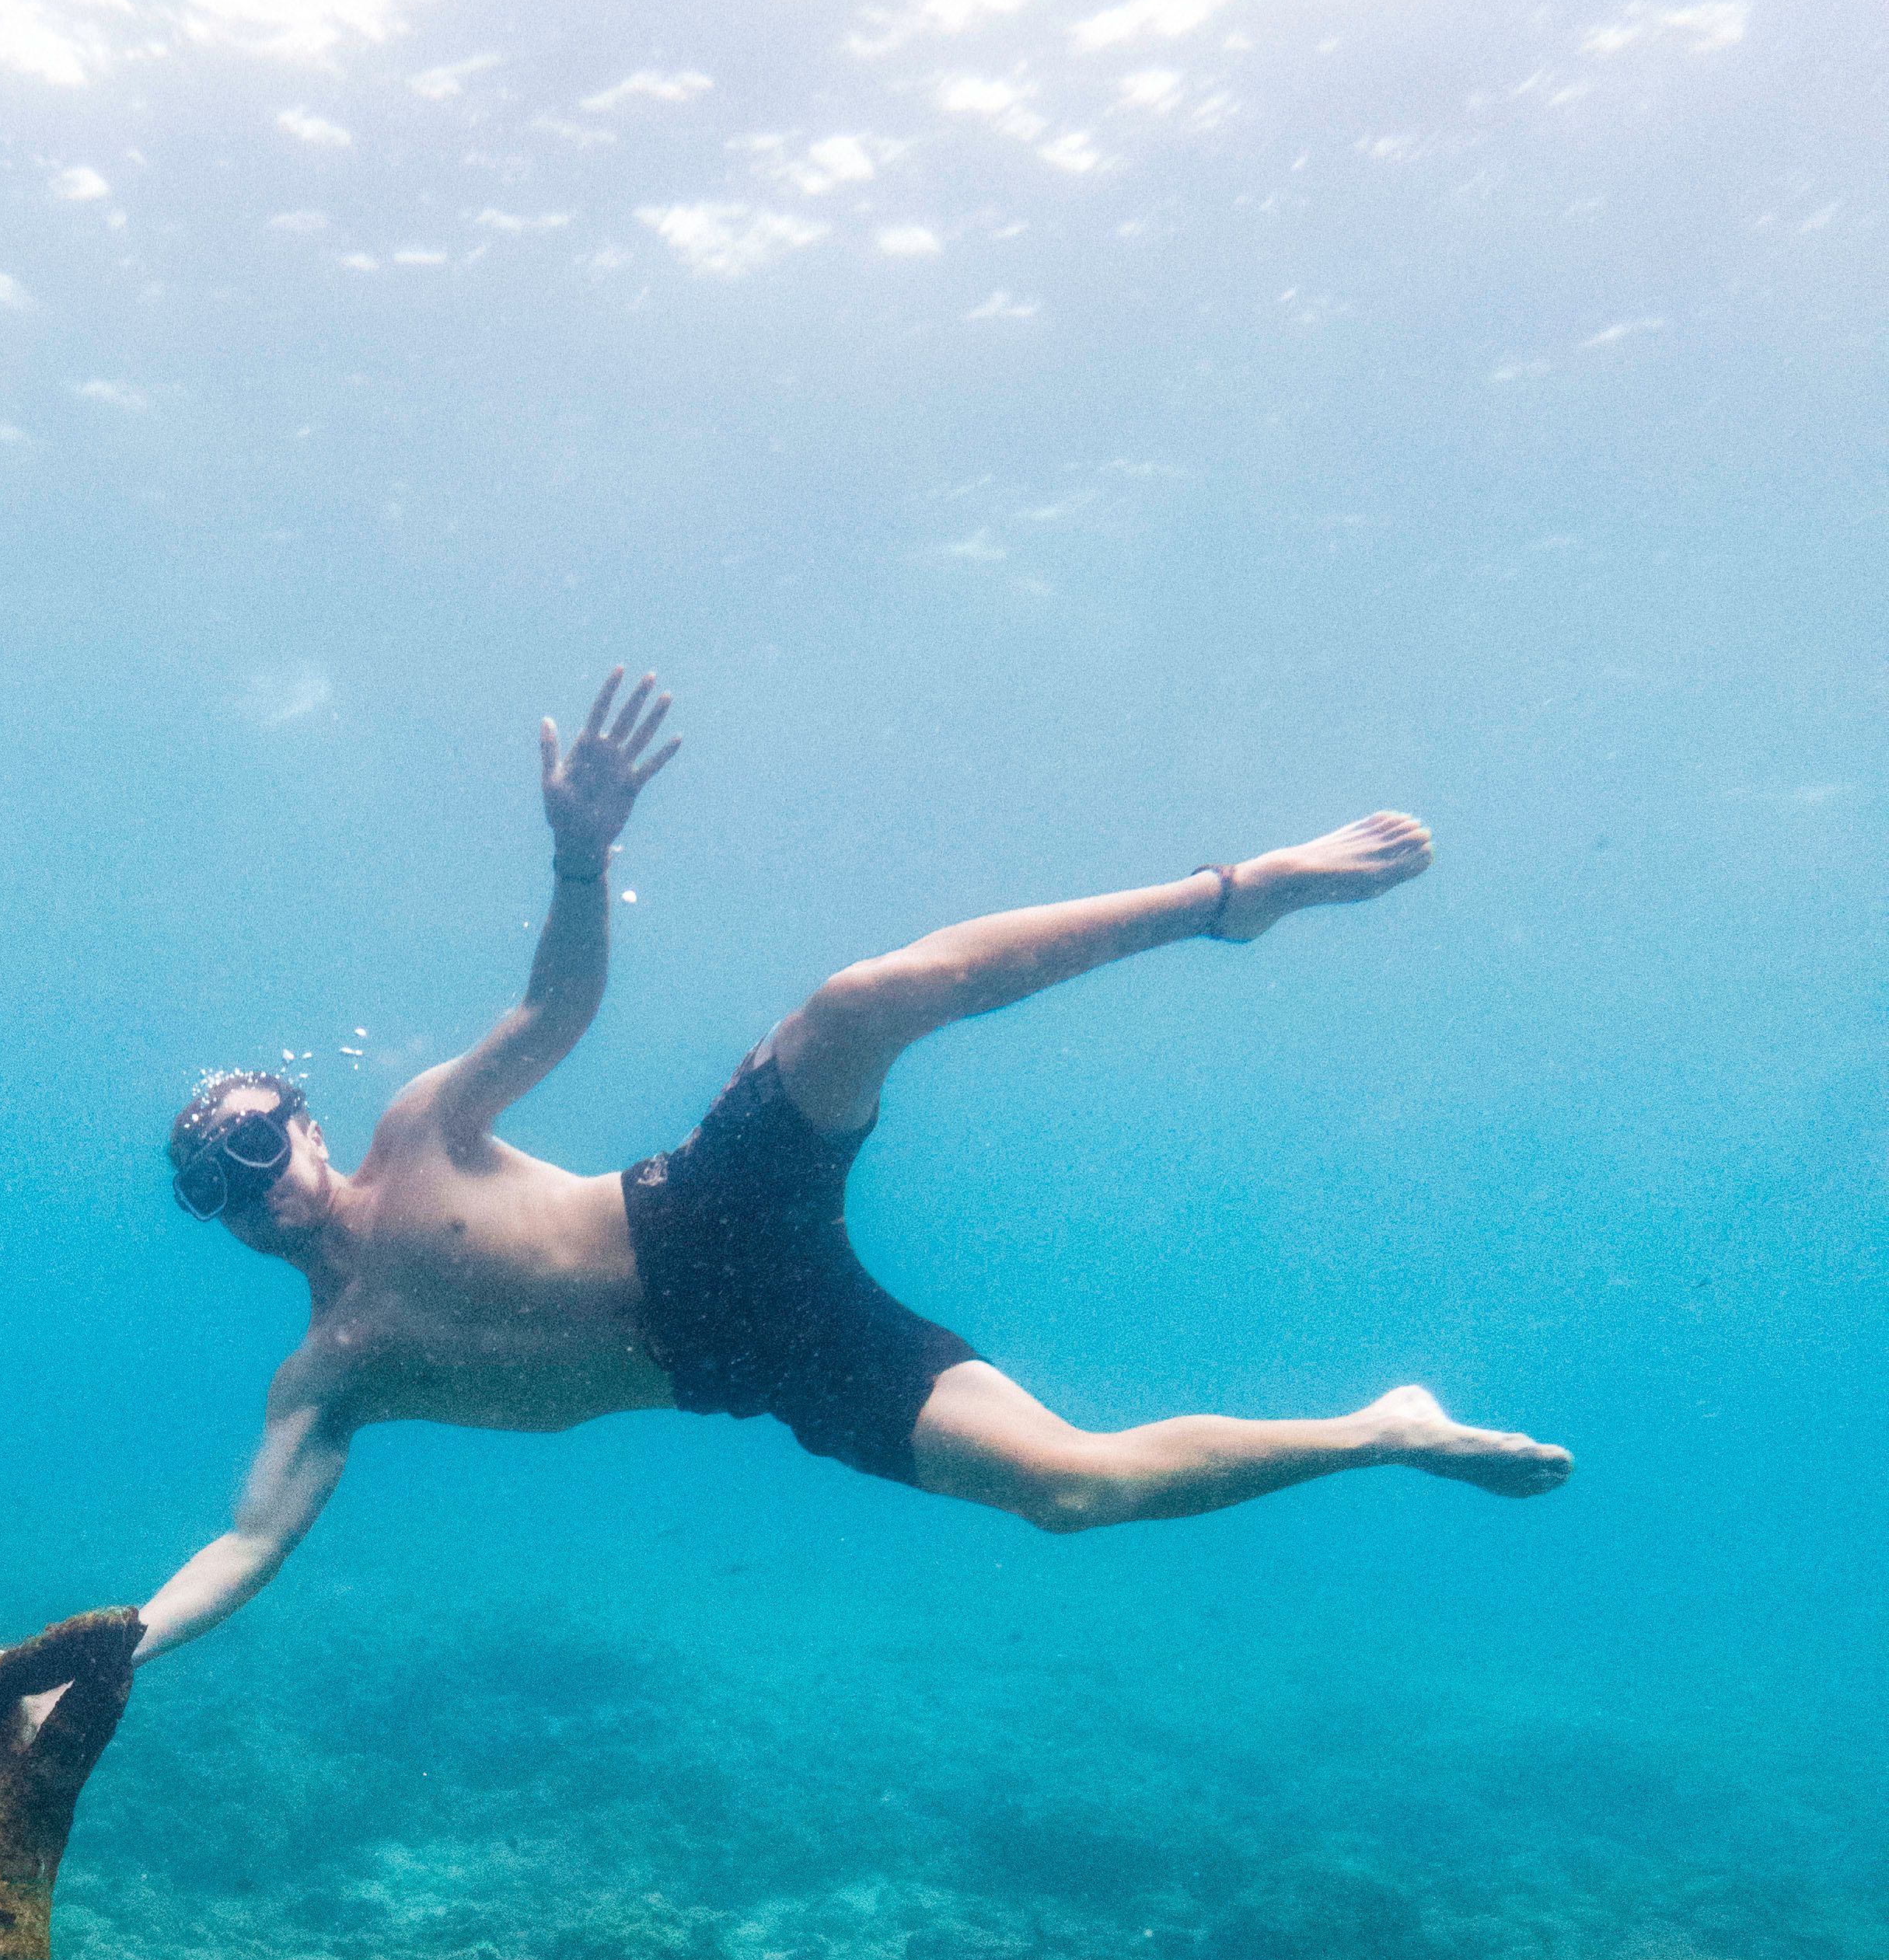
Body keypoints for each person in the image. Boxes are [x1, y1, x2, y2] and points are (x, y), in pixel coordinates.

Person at [140, 665, 1568, 1664]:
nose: (249, 1182)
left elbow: (554, 1012)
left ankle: (1233, 896)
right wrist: (111, 1655)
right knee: (1075, 1491)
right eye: (214, 1181)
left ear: (307, 1128)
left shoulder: (415, 1134)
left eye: (259, 1140)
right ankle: (1387, 1427)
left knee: (856, 1004)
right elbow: (246, 1549)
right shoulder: (331, 1376)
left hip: (704, 1207)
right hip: (774, 1360)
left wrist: (580, 860)